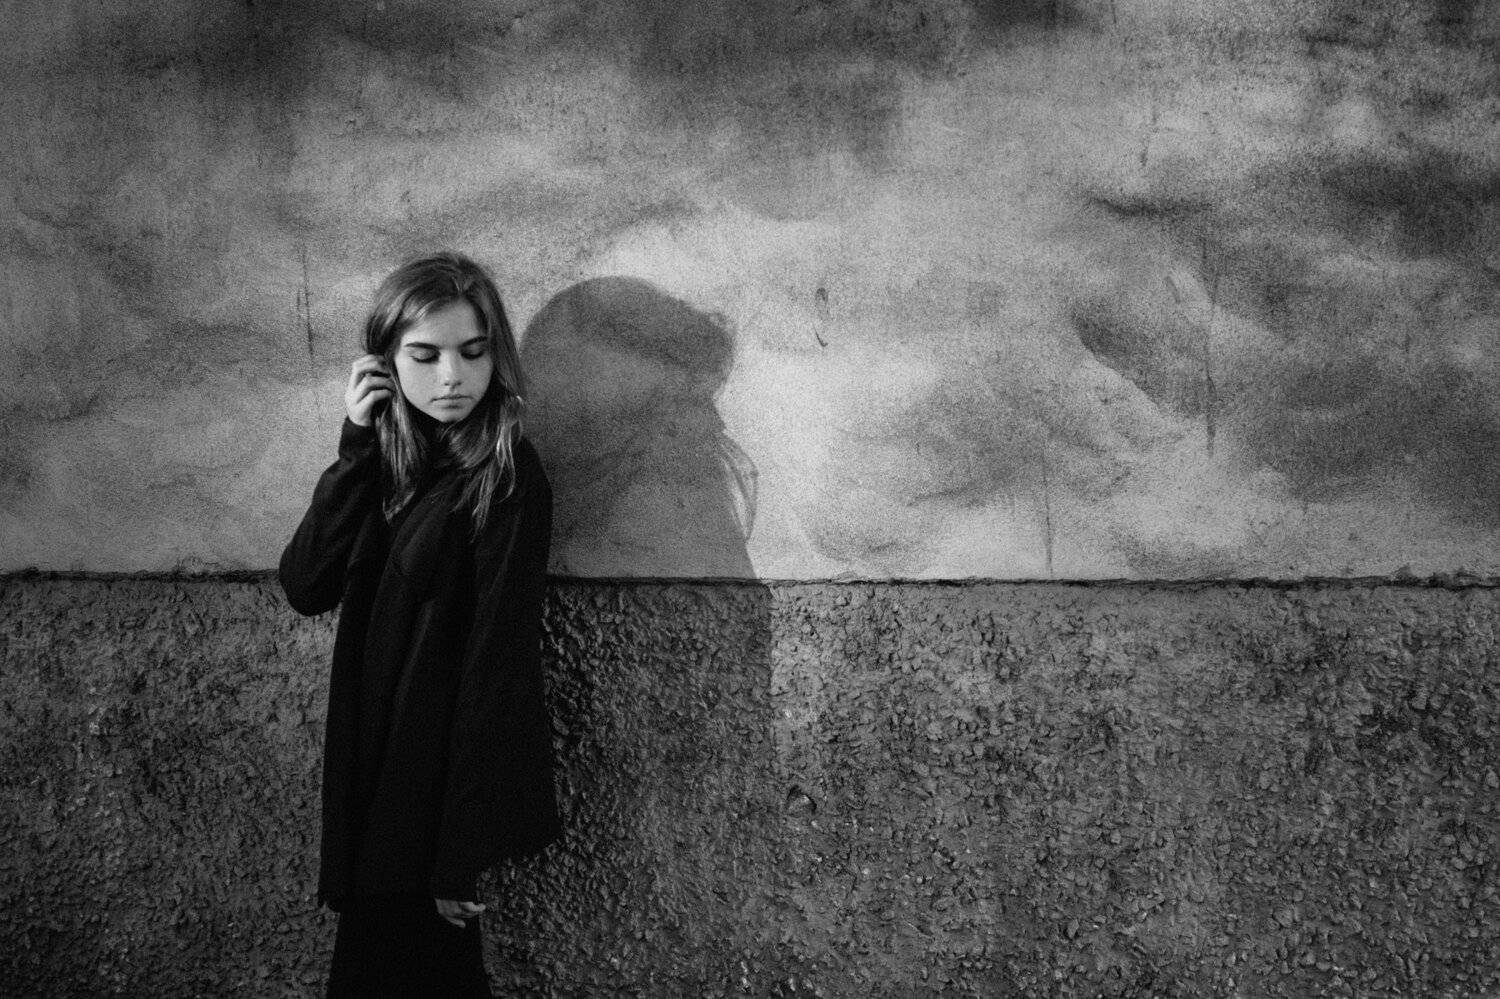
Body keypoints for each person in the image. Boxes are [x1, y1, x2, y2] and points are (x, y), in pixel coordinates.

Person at [279, 252, 559, 997]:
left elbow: (497, 662)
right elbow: (306, 584)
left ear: (497, 355)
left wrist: (456, 852)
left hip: (428, 800)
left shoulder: (507, 474)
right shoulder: (386, 459)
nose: (452, 377)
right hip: (373, 779)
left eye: (473, 352)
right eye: (425, 355)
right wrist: (355, 442)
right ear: (385, 363)